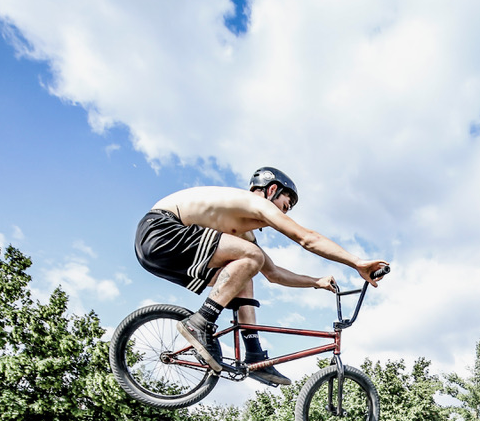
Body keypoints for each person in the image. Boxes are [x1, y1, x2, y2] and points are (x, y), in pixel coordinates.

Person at [135, 166, 389, 387]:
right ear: (272, 191)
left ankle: (255, 354)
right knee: (252, 257)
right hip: (161, 230)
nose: (284, 214)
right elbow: (307, 238)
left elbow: (274, 274)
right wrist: (356, 262)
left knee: (247, 272)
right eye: (284, 206)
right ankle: (200, 323)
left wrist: (315, 282)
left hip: (161, 251)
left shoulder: (243, 235)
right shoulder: (255, 203)